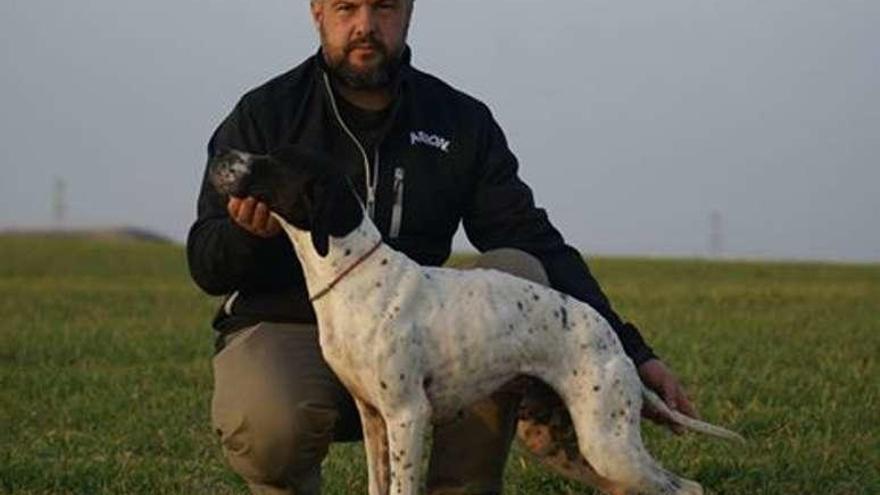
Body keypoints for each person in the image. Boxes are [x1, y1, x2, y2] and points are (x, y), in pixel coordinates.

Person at [187, 1, 697, 493]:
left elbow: (531, 237)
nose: (365, 25)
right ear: (316, 11)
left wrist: (632, 350)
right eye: (346, 7)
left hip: (414, 341)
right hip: (292, 330)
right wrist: (247, 236)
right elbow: (206, 261)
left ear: (410, 11)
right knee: (267, 423)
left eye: (384, 7)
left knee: (518, 267)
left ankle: (461, 487)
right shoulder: (266, 114)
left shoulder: (459, 120)